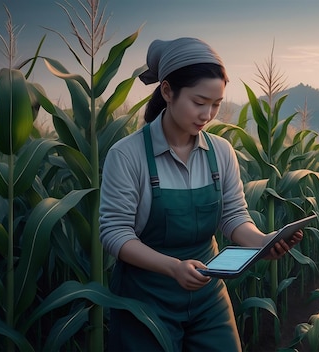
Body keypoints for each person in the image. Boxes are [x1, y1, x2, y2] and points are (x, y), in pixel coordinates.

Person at [99, 37, 303, 351]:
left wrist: (263, 242)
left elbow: (233, 217)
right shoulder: (127, 155)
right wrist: (172, 267)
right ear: (167, 91)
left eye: (217, 104)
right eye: (199, 102)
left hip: (208, 297)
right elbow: (114, 234)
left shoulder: (221, 152)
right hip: (145, 299)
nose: (207, 114)